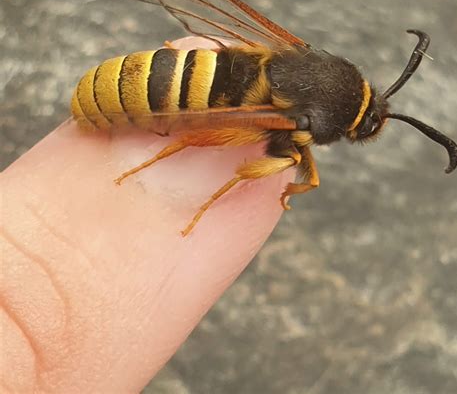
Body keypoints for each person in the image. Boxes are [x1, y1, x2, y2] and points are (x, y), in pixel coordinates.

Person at [0, 39, 286, 392]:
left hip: (131, 74)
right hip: (118, 97)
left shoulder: (285, 57)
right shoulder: (290, 125)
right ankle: (154, 162)